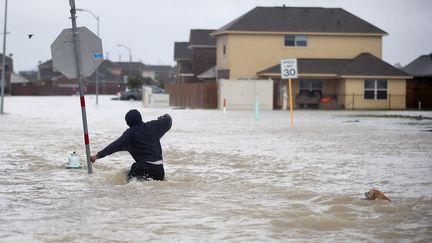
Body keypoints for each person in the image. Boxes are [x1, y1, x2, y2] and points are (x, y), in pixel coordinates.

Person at [90, 109, 172, 181]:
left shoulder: (129, 134)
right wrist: (163, 117)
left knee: (128, 185)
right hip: (160, 170)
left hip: (144, 168)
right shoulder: (153, 126)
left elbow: (114, 146)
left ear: (129, 122)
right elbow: (168, 120)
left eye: (127, 121)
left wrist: (97, 156)